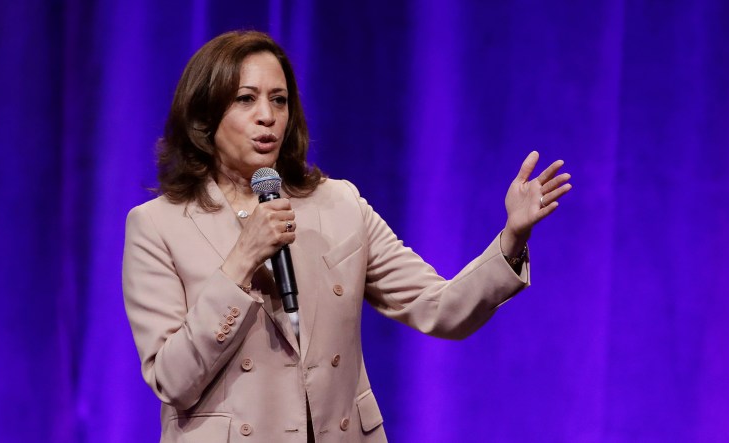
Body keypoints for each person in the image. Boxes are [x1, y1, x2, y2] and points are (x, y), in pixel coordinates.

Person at [122, 30, 571, 443]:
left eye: (279, 100)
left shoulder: (338, 204)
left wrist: (511, 238)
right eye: (246, 99)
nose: (267, 117)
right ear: (204, 116)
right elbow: (173, 381)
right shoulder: (158, 225)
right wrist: (240, 261)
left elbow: (442, 308)